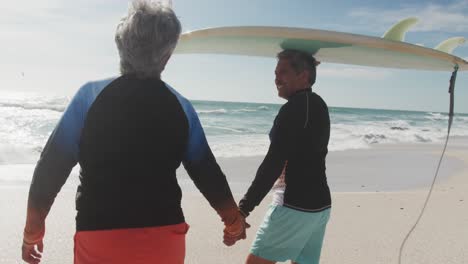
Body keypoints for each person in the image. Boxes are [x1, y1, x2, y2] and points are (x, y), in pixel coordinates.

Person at [21, 1, 246, 263]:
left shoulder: (89, 97)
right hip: (164, 238)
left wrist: (32, 232)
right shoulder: (181, 106)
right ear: (167, 56)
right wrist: (233, 221)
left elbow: (52, 166)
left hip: (100, 235)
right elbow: (206, 171)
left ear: (120, 47)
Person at [238, 49, 331, 264]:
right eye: (275, 73)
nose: (276, 78)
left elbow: (273, 163)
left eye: (283, 72)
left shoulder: (293, 109)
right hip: (320, 207)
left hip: (294, 206)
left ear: (304, 75)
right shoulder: (319, 105)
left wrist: (244, 209)